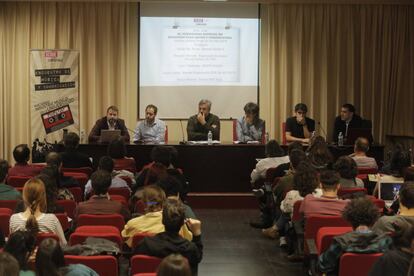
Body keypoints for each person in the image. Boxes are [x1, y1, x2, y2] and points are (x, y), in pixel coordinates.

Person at [318, 198, 392, 275]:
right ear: (374, 219)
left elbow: (323, 266)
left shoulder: (340, 241)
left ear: (350, 219)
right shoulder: (386, 240)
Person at [134, 198, 203, 275]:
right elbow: (197, 257)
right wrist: (197, 235)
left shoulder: (146, 244)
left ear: (163, 220)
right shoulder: (190, 249)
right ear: (183, 223)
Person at [122, 185, 192, 247]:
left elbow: (124, 238)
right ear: (164, 201)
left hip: (143, 261)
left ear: (143, 202)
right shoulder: (176, 222)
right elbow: (188, 238)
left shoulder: (132, 223)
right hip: (169, 260)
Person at [9, 179, 67, 245]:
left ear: (24, 197)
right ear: (43, 197)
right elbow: (63, 245)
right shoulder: (52, 219)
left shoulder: (14, 219)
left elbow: (12, 246)